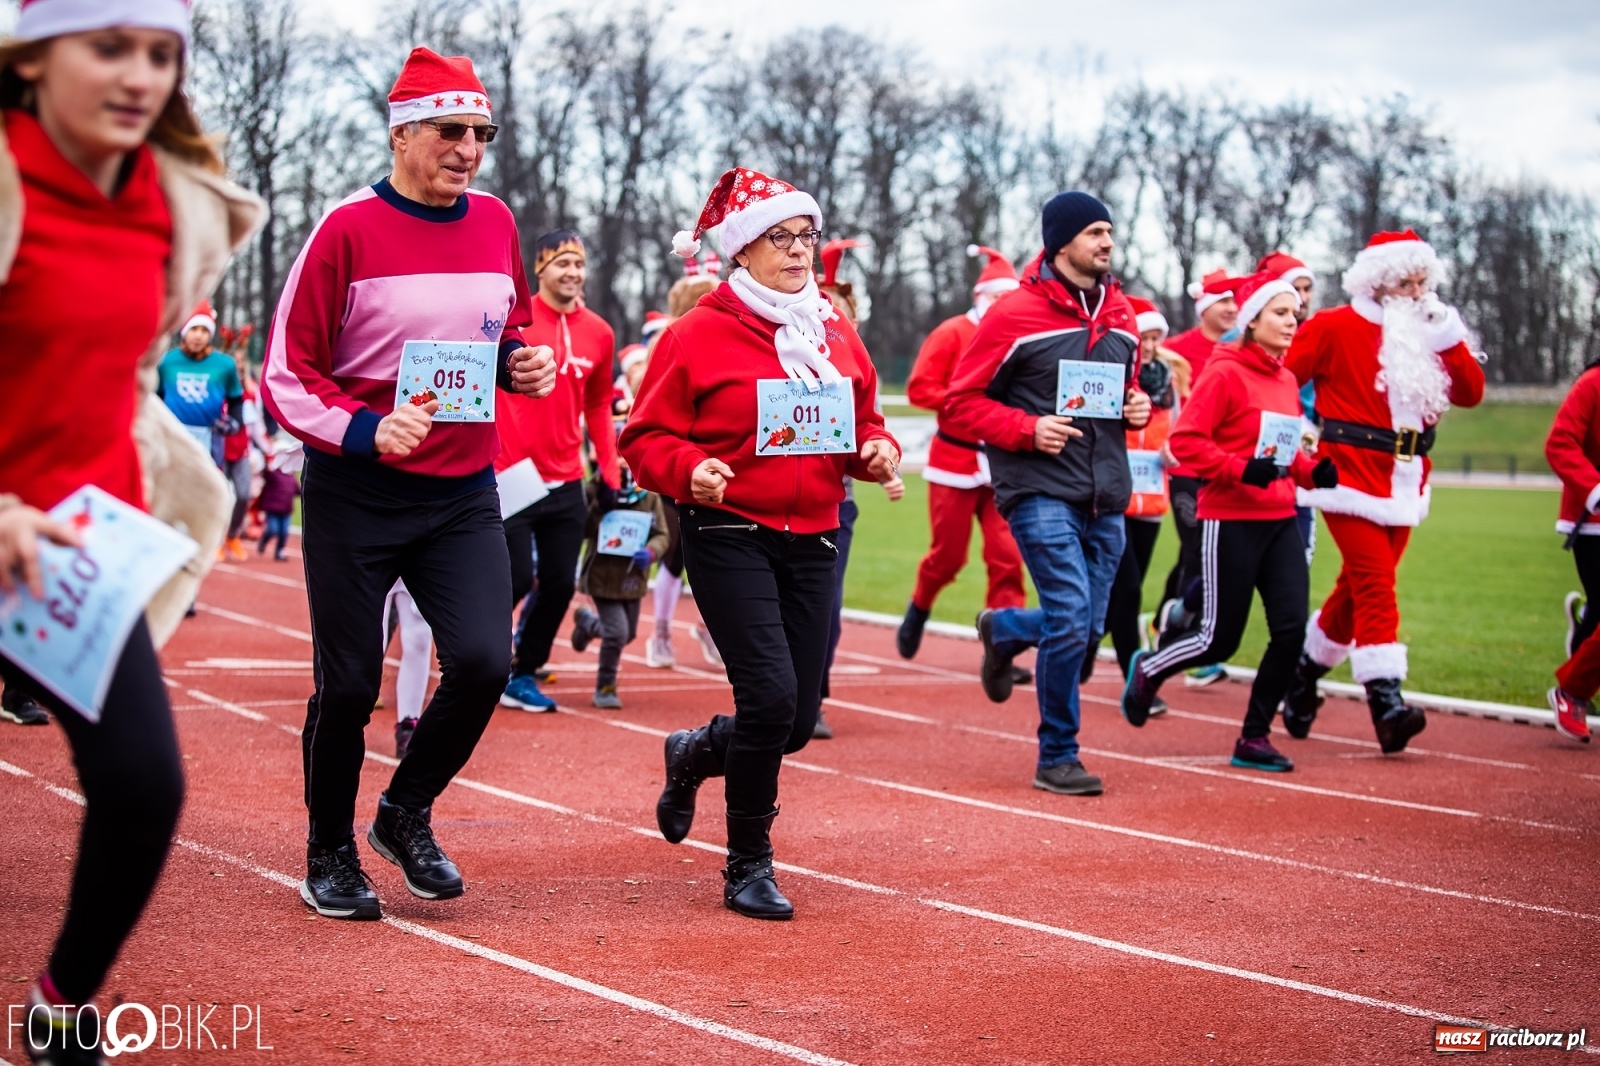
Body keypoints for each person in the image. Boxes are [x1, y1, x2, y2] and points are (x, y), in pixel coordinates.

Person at [0, 0, 263, 1058]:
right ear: (31, 60)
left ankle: (61, 1010)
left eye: (161, 54)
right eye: (109, 47)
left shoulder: (172, 201)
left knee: (146, 784)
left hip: (74, 545)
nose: (140, 76)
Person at [261, 47, 557, 921]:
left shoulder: (497, 221)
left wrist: (521, 365)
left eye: (482, 133)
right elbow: (287, 373)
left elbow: (503, 327)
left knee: (481, 661)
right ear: (401, 135)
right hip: (358, 492)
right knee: (349, 686)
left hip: (463, 488)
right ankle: (330, 852)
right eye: (450, 131)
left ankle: (404, 812)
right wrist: (364, 429)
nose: (469, 148)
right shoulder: (345, 229)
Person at [622, 167, 899, 919]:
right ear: (742, 249)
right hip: (728, 532)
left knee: (797, 721)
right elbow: (642, 439)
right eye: (781, 236)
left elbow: (866, 419)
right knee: (770, 699)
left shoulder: (832, 328)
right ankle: (748, 864)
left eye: (806, 234)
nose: (799, 248)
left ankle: (695, 751)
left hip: (814, 534)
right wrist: (691, 469)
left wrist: (876, 454)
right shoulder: (696, 334)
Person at [944, 191, 1152, 797]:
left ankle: (1006, 630)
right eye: (1094, 232)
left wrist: (1135, 408)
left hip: (1106, 493)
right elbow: (961, 403)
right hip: (1038, 489)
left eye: (1110, 231)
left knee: (1087, 628)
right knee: (1069, 618)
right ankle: (1057, 754)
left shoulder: (1124, 317)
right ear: (1060, 243)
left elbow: (1125, 395)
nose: (1107, 243)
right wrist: (1027, 429)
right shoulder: (1015, 314)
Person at [1121, 273, 1340, 771]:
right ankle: (1150, 669)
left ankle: (1254, 738)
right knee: (1219, 638)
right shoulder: (1223, 374)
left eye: (1295, 314)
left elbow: (1283, 451)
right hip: (1230, 518)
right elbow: (1188, 444)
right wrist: (1241, 469)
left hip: (1281, 515)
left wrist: (1311, 469)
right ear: (1253, 320)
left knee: (1290, 633)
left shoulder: (1286, 378)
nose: (1293, 320)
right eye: (1281, 313)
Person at [1280, 230, 1486, 753]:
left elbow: (1470, 394)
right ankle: (1385, 701)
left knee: (1358, 586)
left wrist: (1448, 338)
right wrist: (1302, 445)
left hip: (1407, 476)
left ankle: (1303, 680)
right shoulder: (1332, 326)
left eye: (1422, 282)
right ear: (1376, 281)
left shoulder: (1430, 328)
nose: (1416, 293)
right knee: (1374, 585)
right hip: (1345, 473)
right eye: (1404, 283)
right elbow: (1280, 384)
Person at [495, 230, 619, 711]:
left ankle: (522, 673)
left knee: (560, 584)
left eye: (578, 265)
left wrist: (607, 472)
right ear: (540, 268)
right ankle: (472, 649)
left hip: (566, 476)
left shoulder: (600, 332)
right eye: (561, 264)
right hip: (509, 473)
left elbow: (599, 406)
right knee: (515, 580)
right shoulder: (514, 321)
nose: (572, 273)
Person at [898, 244, 1029, 666]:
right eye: (997, 296)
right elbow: (920, 387)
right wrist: (967, 403)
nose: (1003, 305)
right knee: (948, 556)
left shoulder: (1019, 336)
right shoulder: (952, 332)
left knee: (1007, 557)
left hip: (1004, 463)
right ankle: (919, 605)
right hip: (954, 461)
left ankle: (1004, 645)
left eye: (1011, 298)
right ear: (980, 296)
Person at [814, 238, 904, 737]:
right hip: (765, 504)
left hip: (835, 504)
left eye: (841, 312)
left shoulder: (853, 366)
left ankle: (814, 695)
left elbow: (868, 430)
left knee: (826, 606)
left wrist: (885, 469)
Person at [1082, 297, 1190, 708]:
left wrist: (1172, 450)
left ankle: (1088, 644)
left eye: (1154, 338)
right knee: (1126, 590)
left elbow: (1182, 429)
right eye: (1141, 337)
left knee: (1125, 590)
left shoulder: (1169, 380)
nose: (1147, 345)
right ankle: (1135, 677)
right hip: (1113, 496)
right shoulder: (1111, 375)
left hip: (1152, 498)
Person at [1155, 269, 1238, 687]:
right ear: (1204, 307)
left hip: (1226, 469)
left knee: (1203, 554)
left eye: (1235, 302)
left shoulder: (1242, 350)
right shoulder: (1175, 351)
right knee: (1196, 549)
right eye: (1222, 301)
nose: (1231, 308)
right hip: (1185, 468)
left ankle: (1160, 624)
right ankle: (1185, 642)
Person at [570, 456, 669, 709]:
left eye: (629, 464)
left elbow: (661, 534)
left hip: (632, 580)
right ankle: (605, 687)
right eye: (618, 464)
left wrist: (651, 551)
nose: (624, 468)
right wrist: (601, 504)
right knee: (616, 633)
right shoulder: (595, 489)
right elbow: (582, 530)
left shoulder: (649, 497)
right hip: (601, 577)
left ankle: (588, 624)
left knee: (628, 633)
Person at [1542, 356, 1600, 743]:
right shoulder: (1592, 384)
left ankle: (1582, 639)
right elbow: (1559, 443)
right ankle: (1573, 691)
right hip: (1593, 524)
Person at [383, 581, 435, 760]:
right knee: (371, 640)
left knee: (419, 637)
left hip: (416, 556)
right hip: (369, 557)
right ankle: (345, 718)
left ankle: (408, 724)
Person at [256, 437, 301, 561]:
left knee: (284, 533)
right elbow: (266, 472)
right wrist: (267, 458)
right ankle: (264, 540)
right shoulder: (273, 473)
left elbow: (297, 490)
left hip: (286, 509)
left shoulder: (291, 476)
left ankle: (279, 552)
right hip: (273, 509)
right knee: (273, 530)